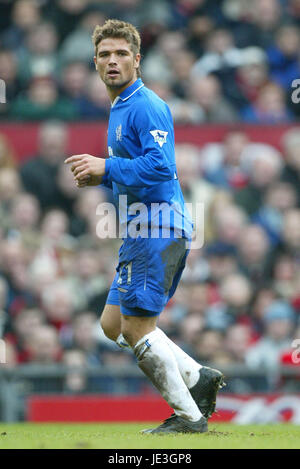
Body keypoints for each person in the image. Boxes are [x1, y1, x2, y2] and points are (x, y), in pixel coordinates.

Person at [65, 19, 224, 434]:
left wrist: (106, 166)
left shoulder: (145, 104)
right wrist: (103, 175)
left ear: (137, 59)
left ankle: (189, 418)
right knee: (113, 325)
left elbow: (162, 166)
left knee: (136, 327)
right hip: (140, 227)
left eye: (121, 54)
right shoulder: (120, 107)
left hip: (157, 225)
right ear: (95, 63)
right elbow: (134, 168)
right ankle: (196, 376)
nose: (112, 61)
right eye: (104, 55)